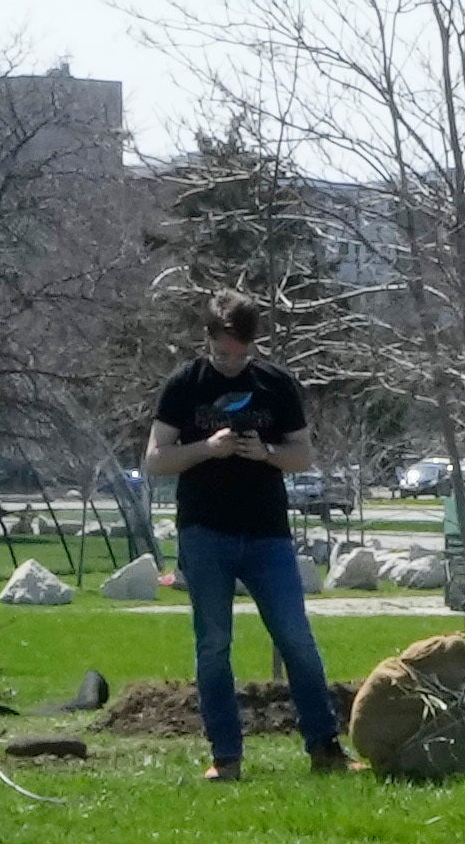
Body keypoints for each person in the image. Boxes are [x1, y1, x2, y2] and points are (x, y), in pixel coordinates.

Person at [142, 296, 342, 779]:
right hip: (205, 532)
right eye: (221, 351)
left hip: (266, 534)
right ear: (207, 339)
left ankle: (325, 749)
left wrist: (266, 452)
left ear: (253, 345)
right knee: (213, 644)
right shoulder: (185, 385)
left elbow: (303, 456)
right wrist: (206, 448)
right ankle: (226, 757)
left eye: (239, 353)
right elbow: (154, 460)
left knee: (296, 637)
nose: (230, 362)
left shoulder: (274, 385)